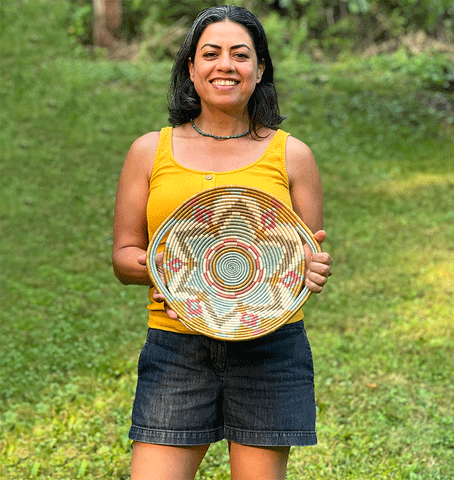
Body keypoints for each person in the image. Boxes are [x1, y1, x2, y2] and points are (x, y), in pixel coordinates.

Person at [112, 5, 332, 480]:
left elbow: (301, 257)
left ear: (260, 68)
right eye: (210, 54)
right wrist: (176, 271)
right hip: (176, 348)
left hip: (270, 349)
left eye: (241, 54)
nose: (225, 65)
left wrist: (311, 271)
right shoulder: (150, 150)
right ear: (191, 69)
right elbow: (125, 256)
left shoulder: (293, 155)